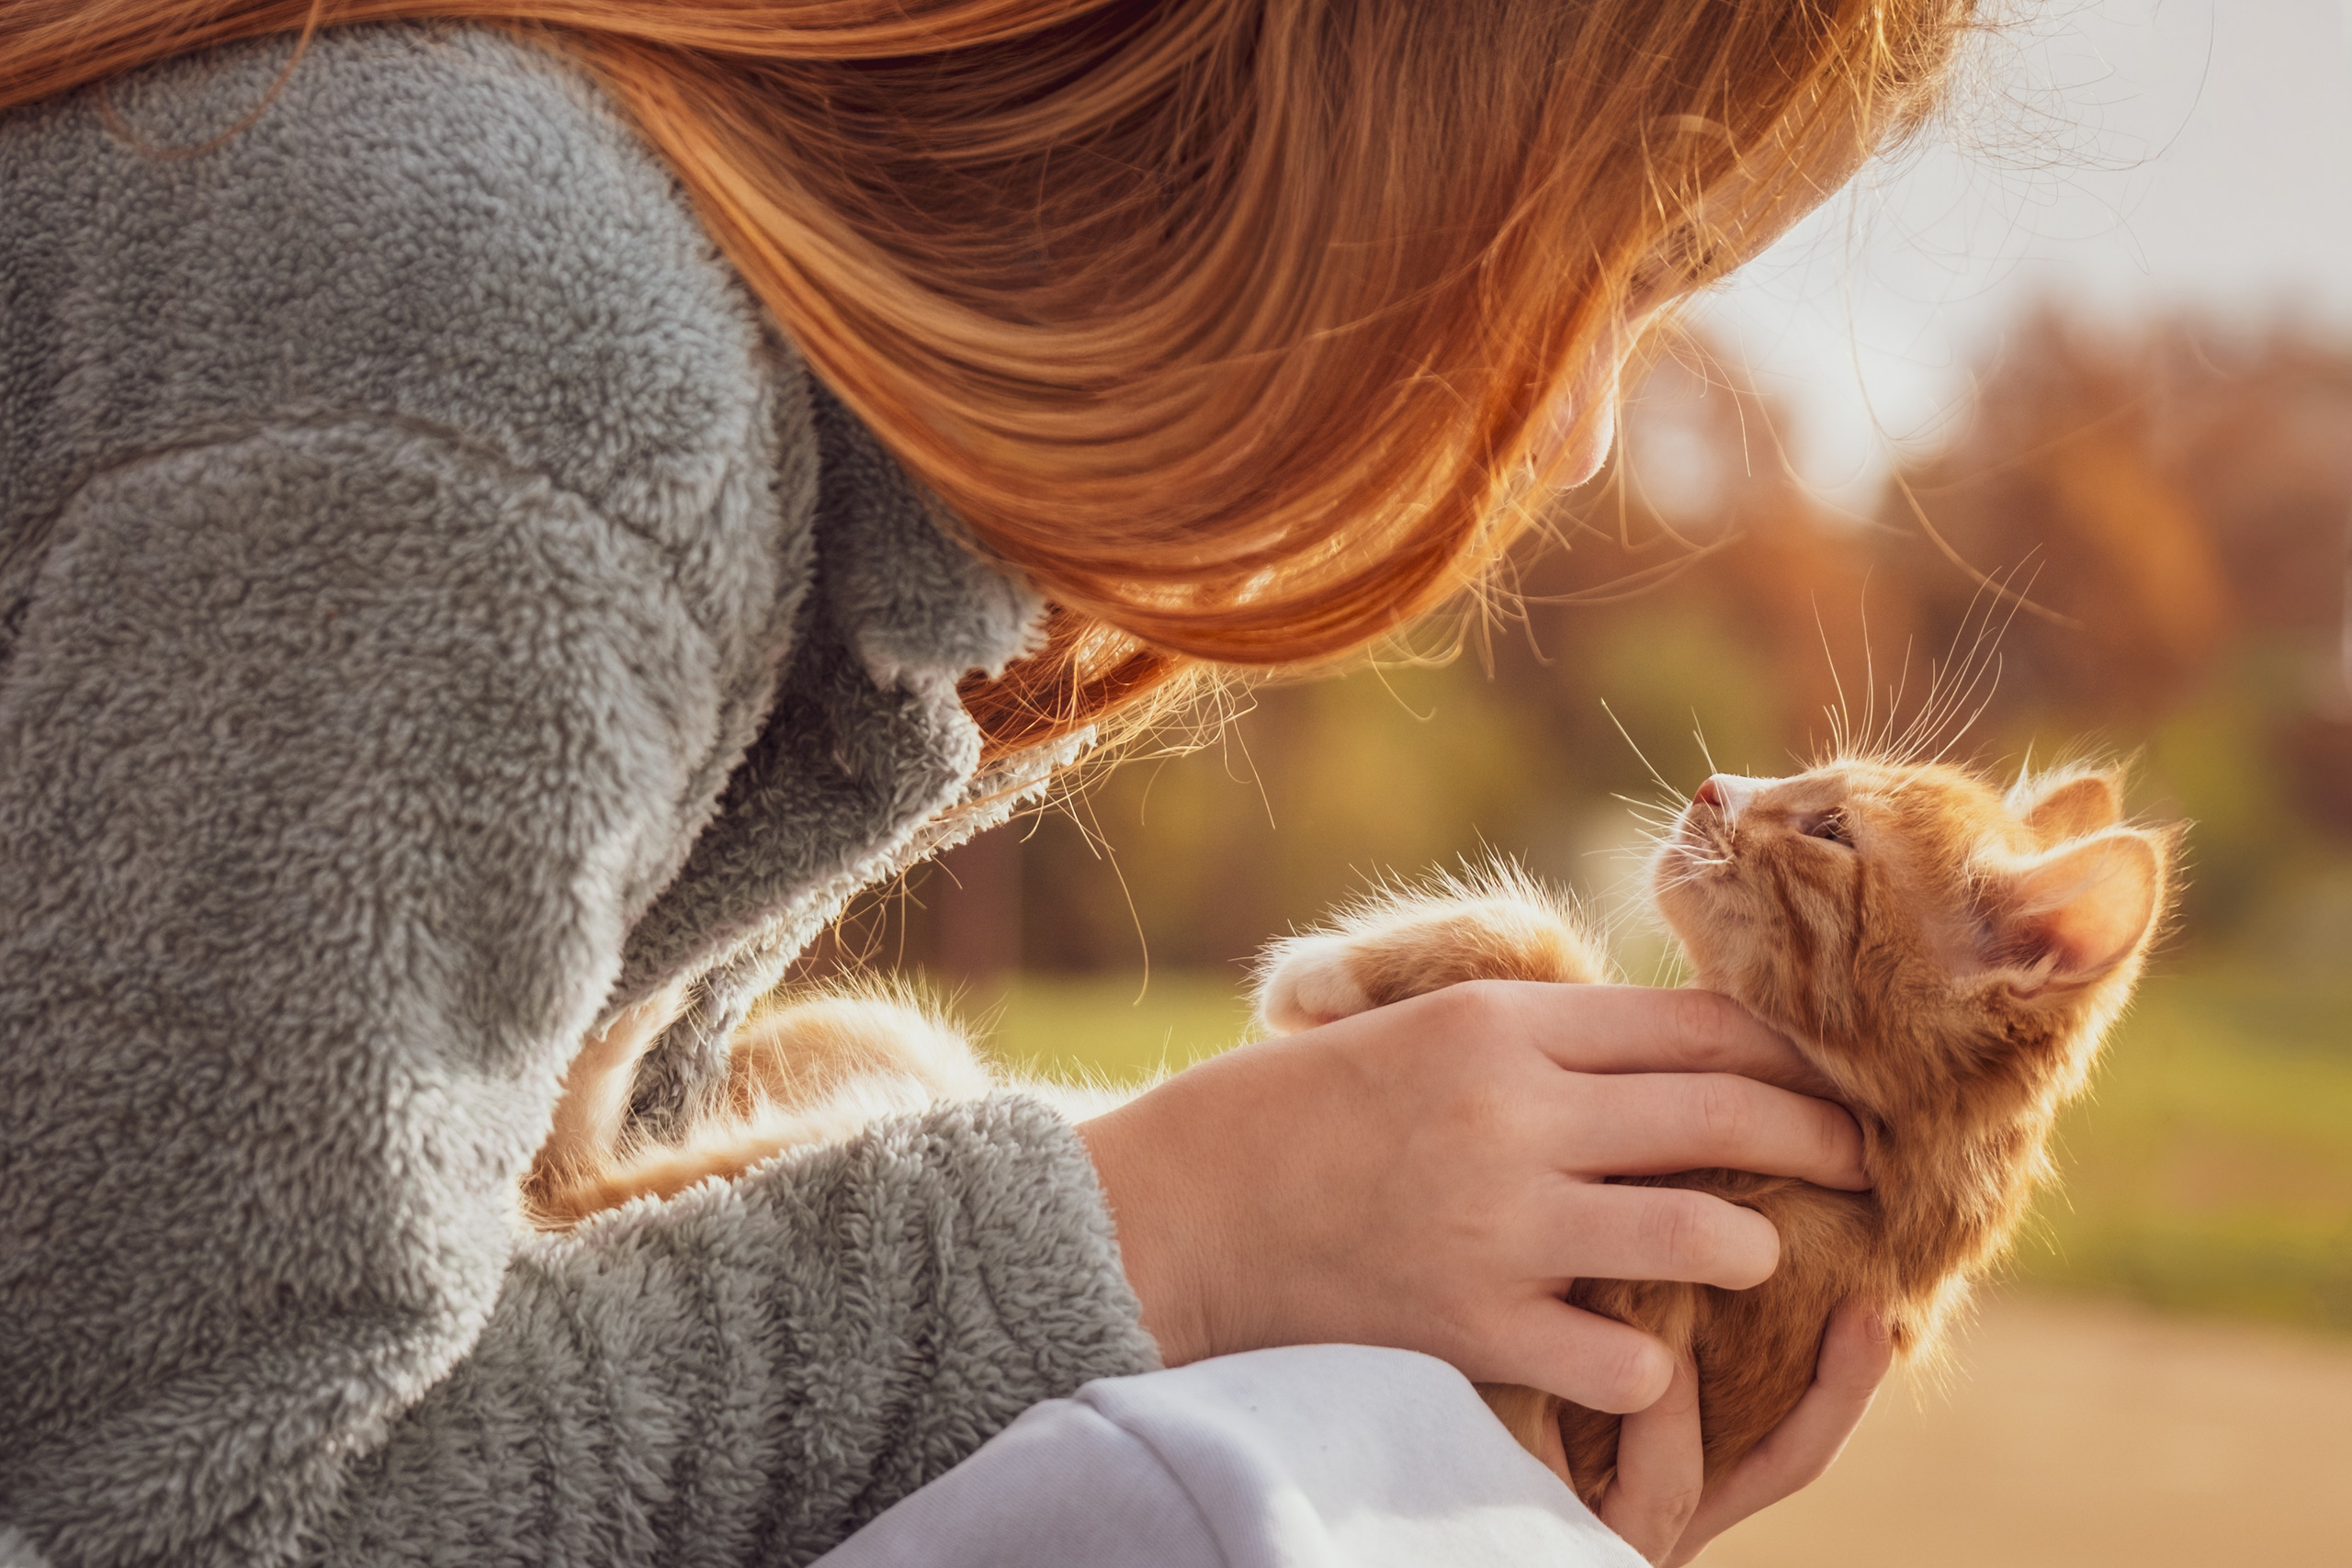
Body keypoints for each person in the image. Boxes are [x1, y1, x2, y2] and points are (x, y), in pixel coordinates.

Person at [0, 3, 1975, 1565]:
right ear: (1387, 87)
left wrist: (1414, 1438)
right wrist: (1162, 1232)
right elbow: (185, 1514)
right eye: (1626, 264)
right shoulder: (535, 394)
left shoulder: (795, 490)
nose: (1579, 433)